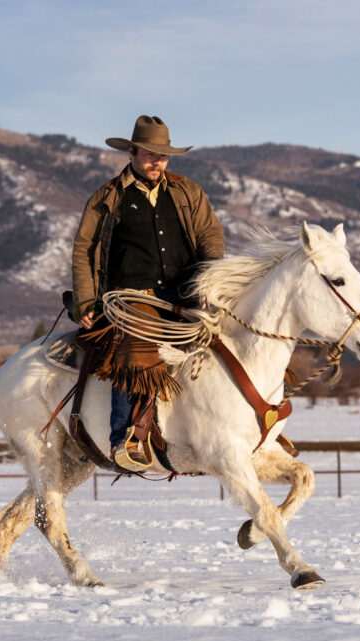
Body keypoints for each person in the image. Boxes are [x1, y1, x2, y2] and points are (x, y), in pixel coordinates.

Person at [71, 115, 225, 471]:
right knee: (137, 349)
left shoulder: (188, 191)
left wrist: (211, 277)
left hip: (186, 293)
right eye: (150, 154)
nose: (157, 161)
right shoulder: (108, 197)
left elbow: (210, 237)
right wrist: (85, 299)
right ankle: (125, 438)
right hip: (131, 298)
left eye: (164, 155)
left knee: (235, 334)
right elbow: (84, 249)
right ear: (132, 152)